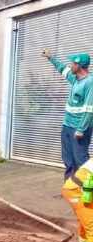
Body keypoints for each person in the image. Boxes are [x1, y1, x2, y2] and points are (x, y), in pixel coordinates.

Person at [41, 50, 93, 180]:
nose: (70, 65)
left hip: (79, 129)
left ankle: (87, 191)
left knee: (81, 161)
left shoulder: (89, 82)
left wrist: (81, 129)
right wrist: (50, 57)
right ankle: (70, 188)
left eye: (72, 63)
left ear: (78, 66)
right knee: (68, 160)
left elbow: (89, 109)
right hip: (67, 126)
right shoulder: (75, 78)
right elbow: (62, 69)